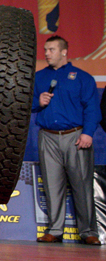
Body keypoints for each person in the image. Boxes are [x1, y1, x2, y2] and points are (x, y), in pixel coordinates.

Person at [32, 35, 101, 246]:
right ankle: (54, 230)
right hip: (48, 136)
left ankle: (88, 231)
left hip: (75, 136)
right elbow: (25, 103)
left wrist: (88, 133)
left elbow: (92, 108)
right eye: (45, 50)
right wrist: (38, 101)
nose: (46, 53)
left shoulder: (82, 77)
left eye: (51, 49)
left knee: (82, 185)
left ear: (64, 52)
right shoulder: (39, 77)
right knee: (52, 186)